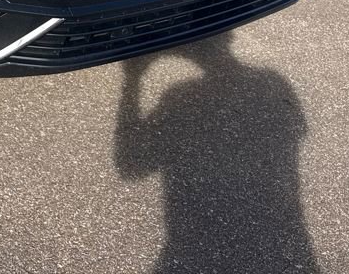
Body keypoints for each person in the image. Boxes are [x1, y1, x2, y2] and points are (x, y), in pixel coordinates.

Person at [114, 32, 321, 273]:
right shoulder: (273, 83)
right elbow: (296, 130)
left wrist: (133, 79)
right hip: (287, 242)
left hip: (189, 249)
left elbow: (131, 165)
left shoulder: (181, 94)